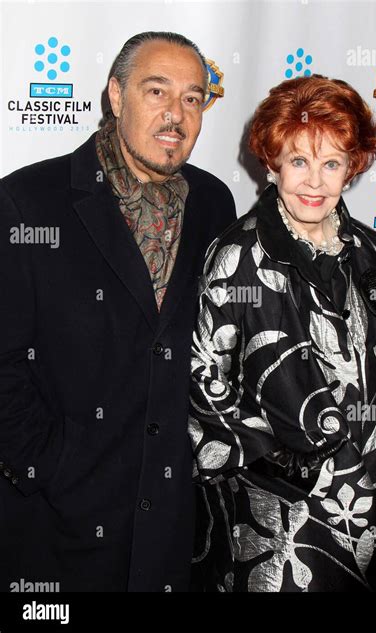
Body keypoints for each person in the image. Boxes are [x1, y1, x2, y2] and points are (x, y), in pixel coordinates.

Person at [188, 74, 376, 592]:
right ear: (272, 162)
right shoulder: (236, 258)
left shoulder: (374, 252)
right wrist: (286, 463)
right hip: (285, 511)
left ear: (352, 168)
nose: (314, 182)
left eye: (331, 164)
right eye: (299, 161)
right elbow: (203, 383)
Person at [0, 31, 236, 592]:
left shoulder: (215, 203)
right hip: (56, 533)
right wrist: (55, 465)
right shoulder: (27, 201)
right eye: (157, 91)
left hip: (176, 530)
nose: (175, 115)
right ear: (115, 94)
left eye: (192, 98)